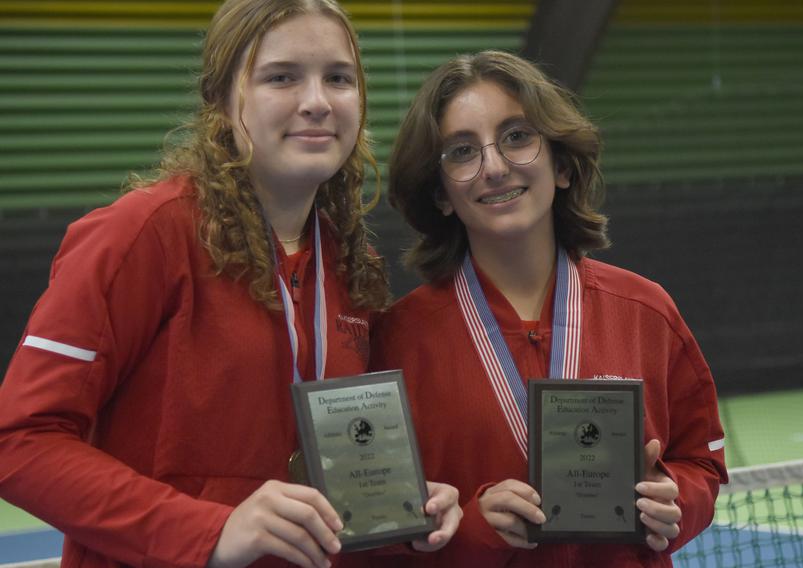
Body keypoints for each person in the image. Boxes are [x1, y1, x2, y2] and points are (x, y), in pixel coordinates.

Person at [0, 1, 460, 567]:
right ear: (222, 100)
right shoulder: (142, 235)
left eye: (338, 78)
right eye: (281, 77)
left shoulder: (347, 261)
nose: (317, 101)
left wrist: (403, 509)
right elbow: (18, 443)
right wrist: (206, 531)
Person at [371, 50, 728, 567]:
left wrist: (675, 497)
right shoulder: (399, 340)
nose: (494, 167)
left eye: (517, 137)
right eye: (462, 152)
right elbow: (380, 527)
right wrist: (471, 528)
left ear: (561, 165)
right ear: (441, 193)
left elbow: (702, 463)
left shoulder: (646, 312)